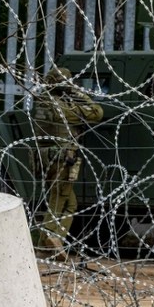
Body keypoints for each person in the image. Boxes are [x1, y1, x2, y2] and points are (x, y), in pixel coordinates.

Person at [33, 66, 103, 259]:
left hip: (46, 156)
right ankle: (49, 240)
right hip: (64, 158)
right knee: (59, 200)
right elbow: (97, 112)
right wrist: (78, 93)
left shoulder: (42, 101)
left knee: (68, 202)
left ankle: (50, 244)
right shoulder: (64, 108)